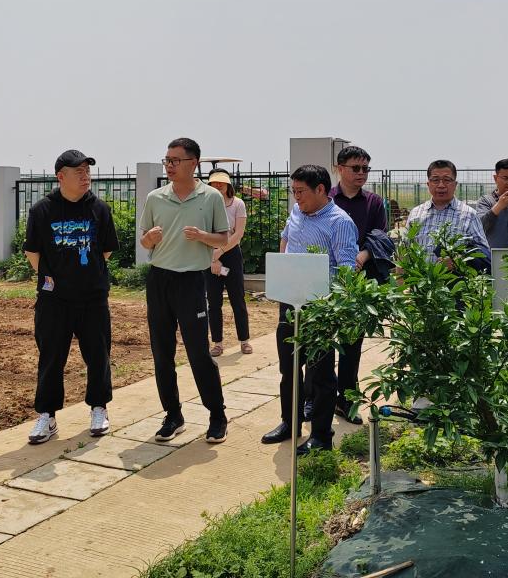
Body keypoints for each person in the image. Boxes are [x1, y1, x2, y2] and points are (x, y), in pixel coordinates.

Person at [23, 150, 120, 444]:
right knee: (51, 358)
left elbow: (106, 250)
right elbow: (32, 252)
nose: (85, 176)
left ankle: (99, 408)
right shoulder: (42, 210)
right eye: (78, 171)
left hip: (93, 298)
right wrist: (57, 279)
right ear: (60, 176)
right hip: (54, 301)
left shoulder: (99, 209)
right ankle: (47, 416)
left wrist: (84, 276)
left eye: (87, 171)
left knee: (98, 355)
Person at [261, 164, 358, 454]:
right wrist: (283, 269)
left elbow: (347, 269)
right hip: (290, 302)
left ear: (321, 190)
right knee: (289, 368)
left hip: (321, 307)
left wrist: (332, 302)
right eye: (293, 191)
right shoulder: (296, 212)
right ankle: (289, 423)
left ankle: (321, 435)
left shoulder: (340, 222)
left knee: (321, 372)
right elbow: (286, 238)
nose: (296, 197)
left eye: (301, 191)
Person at [140, 138, 230, 444]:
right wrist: (149, 239)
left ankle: (217, 415)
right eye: (167, 160)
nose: (169, 165)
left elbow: (223, 239)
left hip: (192, 281)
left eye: (175, 160)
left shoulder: (211, 197)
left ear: (194, 163)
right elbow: (144, 240)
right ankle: (173, 415)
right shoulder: (155, 197)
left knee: (198, 353)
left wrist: (203, 235)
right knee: (162, 353)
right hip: (159, 280)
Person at [327, 145, 390, 425]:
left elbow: (379, 236)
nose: (361, 173)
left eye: (365, 168)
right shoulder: (327, 198)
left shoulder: (374, 202)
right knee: (322, 343)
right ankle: (317, 398)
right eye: (356, 168)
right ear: (339, 168)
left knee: (352, 344)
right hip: (327, 280)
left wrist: (361, 257)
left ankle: (347, 400)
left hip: (359, 283)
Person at [406, 159, 491, 273]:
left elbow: (484, 252)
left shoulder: (469, 215)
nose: (441, 185)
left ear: (455, 184)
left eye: (447, 180)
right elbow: (405, 250)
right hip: (421, 281)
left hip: (458, 281)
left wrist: (459, 260)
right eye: (435, 180)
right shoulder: (416, 213)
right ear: (428, 184)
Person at [205, 169, 252, 357]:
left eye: (221, 182)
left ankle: (244, 341)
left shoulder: (238, 204)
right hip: (210, 255)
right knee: (213, 302)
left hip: (231, 254)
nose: (218, 186)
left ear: (228, 184)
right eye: (214, 183)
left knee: (237, 299)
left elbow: (238, 234)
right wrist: (213, 258)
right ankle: (217, 343)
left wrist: (220, 252)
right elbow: (204, 233)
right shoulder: (205, 205)